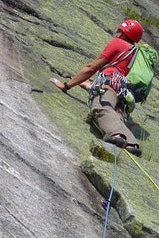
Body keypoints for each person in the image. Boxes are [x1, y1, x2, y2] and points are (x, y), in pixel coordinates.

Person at [52, 19, 144, 155]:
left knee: (101, 106)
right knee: (112, 111)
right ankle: (131, 144)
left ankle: (117, 136)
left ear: (125, 34)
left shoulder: (118, 43)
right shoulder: (132, 51)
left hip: (109, 82)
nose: (117, 33)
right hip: (120, 89)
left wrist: (66, 85)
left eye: (120, 30)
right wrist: (88, 85)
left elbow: (91, 68)